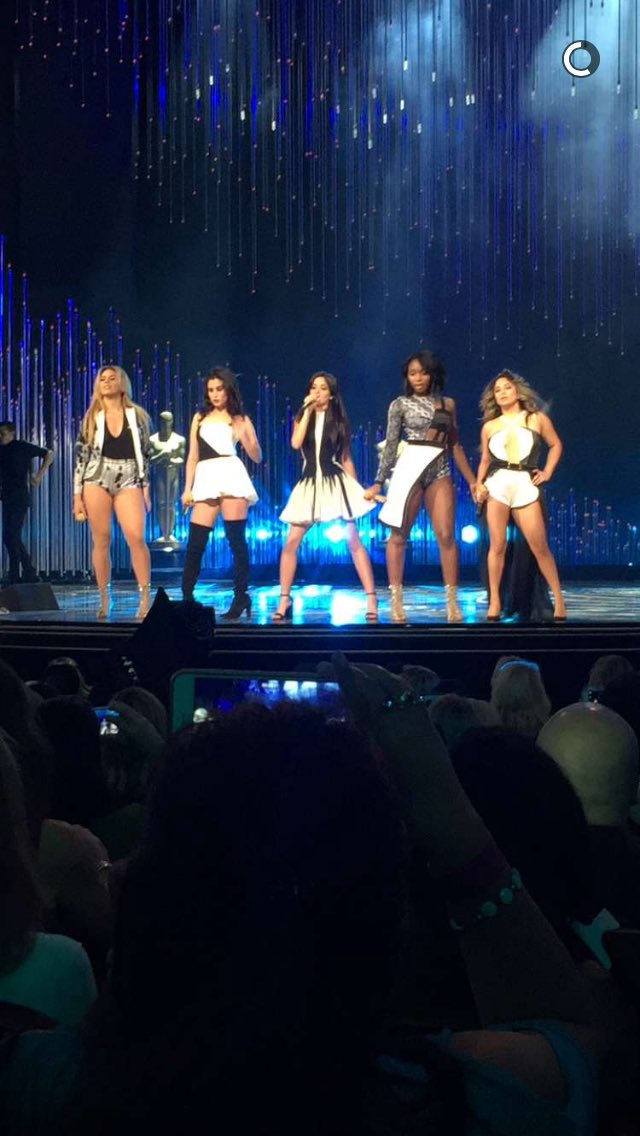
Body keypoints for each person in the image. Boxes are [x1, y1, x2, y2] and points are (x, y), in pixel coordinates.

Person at [364, 350, 476, 624]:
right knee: (399, 534)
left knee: (446, 535)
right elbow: (391, 444)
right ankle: (396, 600)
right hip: (410, 469)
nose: (418, 378)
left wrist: (473, 481)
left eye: (423, 372)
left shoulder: (447, 404)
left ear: (432, 374)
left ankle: (452, 602)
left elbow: (455, 444)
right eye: (413, 373)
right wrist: (378, 481)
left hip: (440, 469)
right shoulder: (399, 404)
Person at [272, 371, 377, 622]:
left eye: (322, 388)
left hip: (335, 482)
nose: (317, 392)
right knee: (291, 542)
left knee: (353, 540)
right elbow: (296, 443)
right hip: (309, 483)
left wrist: (358, 491)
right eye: (313, 387)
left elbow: (346, 458)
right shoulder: (302, 417)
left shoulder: (339, 421)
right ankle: (284, 599)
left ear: (331, 395)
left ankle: (372, 598)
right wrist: (307, 411)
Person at [475, 370, 566, 621]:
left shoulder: (536, 418)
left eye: (507, 387)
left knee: (539, 546)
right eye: (497, 390)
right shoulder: (490, 426)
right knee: (497, 546)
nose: (502, 392)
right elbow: (485, 460)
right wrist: (479, 484)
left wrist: (547, 471)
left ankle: (559, 599)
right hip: (498, 483)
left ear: (517, 391)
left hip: (525, 482)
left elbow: (556, 445)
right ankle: (495, 600)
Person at [73, 365, 153, 621]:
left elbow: (146, 453)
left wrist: (146, 487)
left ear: (122, 383)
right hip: (96, 478)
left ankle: (145, 596)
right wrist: (77, 496)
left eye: (112, 378)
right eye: (103, 379)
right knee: (102, 539)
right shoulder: (92, 417)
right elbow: (81, 457)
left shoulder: (137, 415)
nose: (107, 382)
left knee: (136, 537)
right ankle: (104, 596)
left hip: (129, 476)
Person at [181, 367, 261, 620]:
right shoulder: (200, 417)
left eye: (219, 389)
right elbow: (192, 457)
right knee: (196, 542)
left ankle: (241, 596)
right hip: (206, 476)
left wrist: (245, 435)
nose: (215, 394)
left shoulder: (239, 418)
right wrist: (187, 489)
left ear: (228, 390)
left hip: (230, 473)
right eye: (211, 390)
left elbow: (257, 456)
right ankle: (187, 596)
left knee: (236, 541)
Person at [0, 420, 54, 585]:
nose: (0, 437)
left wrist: (39, 475)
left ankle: (15, 575)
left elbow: (49, 454)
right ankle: (28, 571)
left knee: (12, 535)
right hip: (6, 496)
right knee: (9, 537)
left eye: (3, 433)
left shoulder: (21, 446)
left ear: (12, 433)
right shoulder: (1, 451)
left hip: (19, 497)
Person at [149, 411, 186, 545]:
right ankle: (164, 533)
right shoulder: (153, 439)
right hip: (160, 473)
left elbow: (181, 459)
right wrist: (162, 455)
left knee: (171, 504)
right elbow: (150, 460)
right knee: (162, 504)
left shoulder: (179, 439)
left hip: (173, 473)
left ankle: (169, 533)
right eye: (163, 421)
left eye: (167, 421)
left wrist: (171, 459)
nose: (165, 424)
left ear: (171, 422)